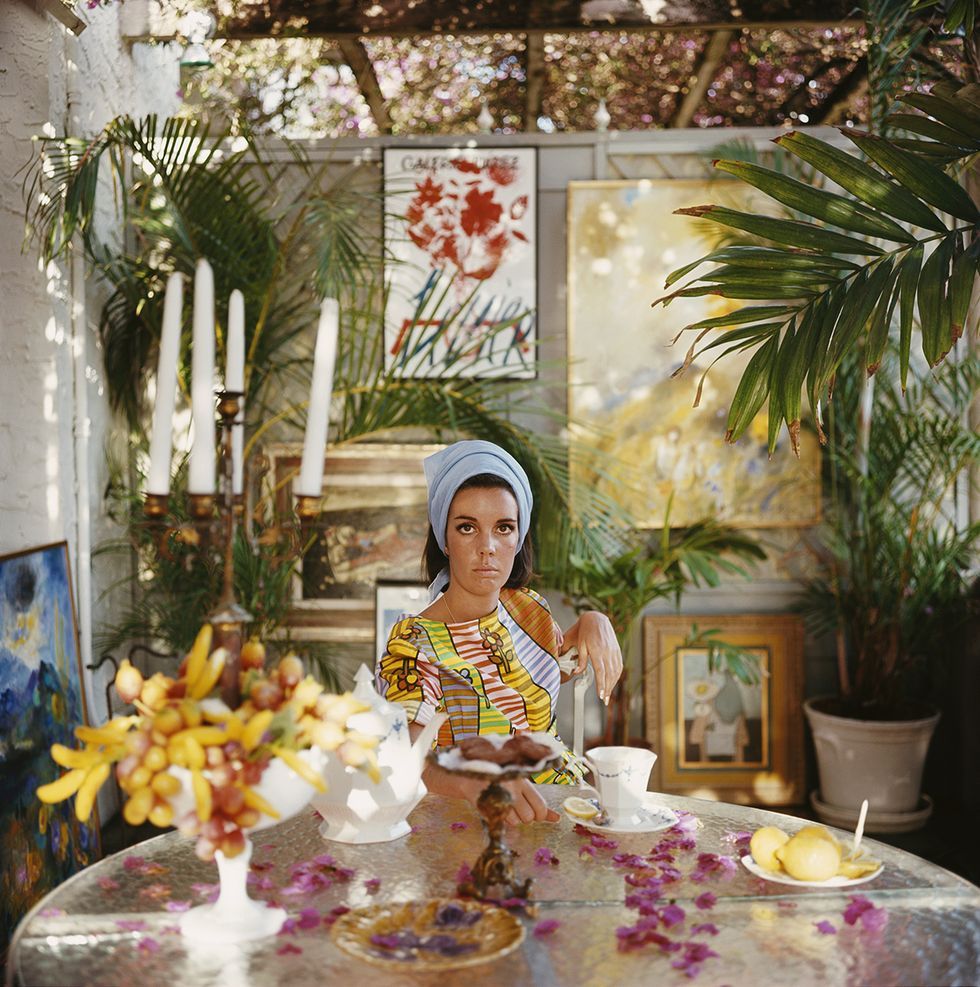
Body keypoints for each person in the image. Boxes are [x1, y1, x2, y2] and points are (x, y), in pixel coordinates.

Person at [376, 440, 623, 826]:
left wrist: (595, 620)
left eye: (504, 527)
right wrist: (473, 782)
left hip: (565, 805)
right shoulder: (415, 641)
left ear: (519, 536)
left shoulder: (529, 609)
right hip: (472, 823)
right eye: (467, 527)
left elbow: (552, 669)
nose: (487, 547)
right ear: (445, 538)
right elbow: (407, 752)